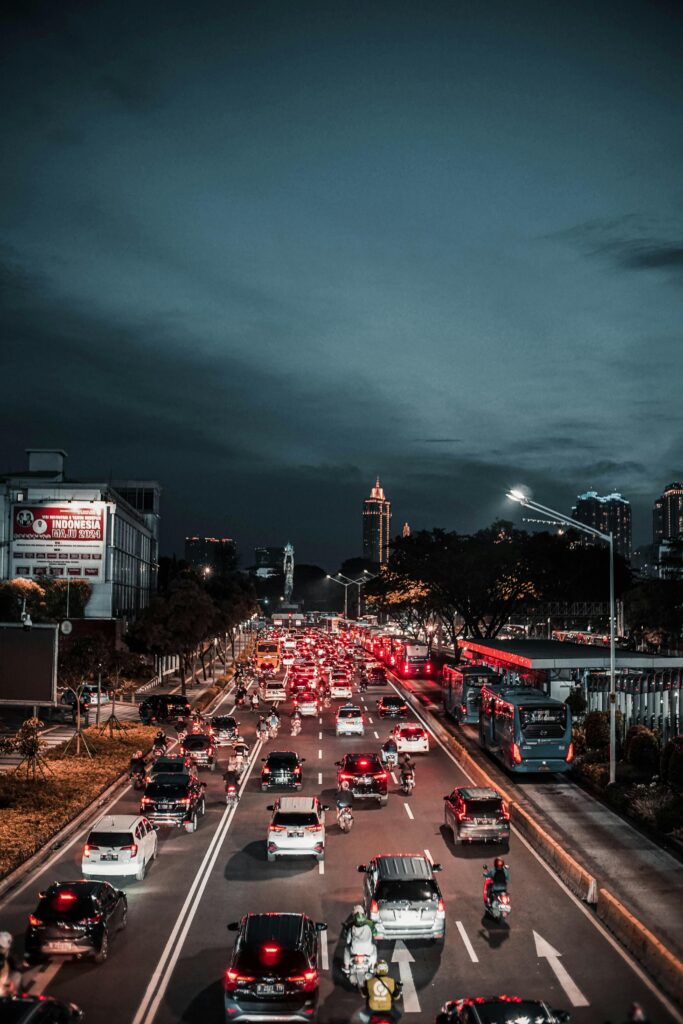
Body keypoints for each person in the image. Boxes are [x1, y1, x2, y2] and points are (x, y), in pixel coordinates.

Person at [342, 905, 377, 973]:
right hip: (368, 950)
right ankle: (372, 967)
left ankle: (346, 967)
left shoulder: (351, 927)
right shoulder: (369, 925)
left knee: (346, 949)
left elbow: (348, 941)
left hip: (354, 950)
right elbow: (375, 934)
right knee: (374, 948)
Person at [0, 931, 23, 997]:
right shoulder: (2, 958)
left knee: (16, 976)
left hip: (3, 978)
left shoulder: (5, 955)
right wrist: (6, 988)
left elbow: (14, 963)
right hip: (2, 981)